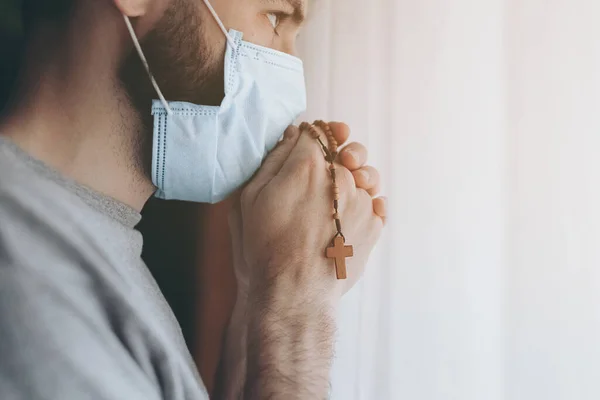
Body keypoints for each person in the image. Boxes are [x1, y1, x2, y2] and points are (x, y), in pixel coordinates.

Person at [0, 0, 386, 398]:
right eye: (274, 17)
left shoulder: (85, 237)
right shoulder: (20, 270)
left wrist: (263, 290)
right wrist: (295, 324)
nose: (292, 81)